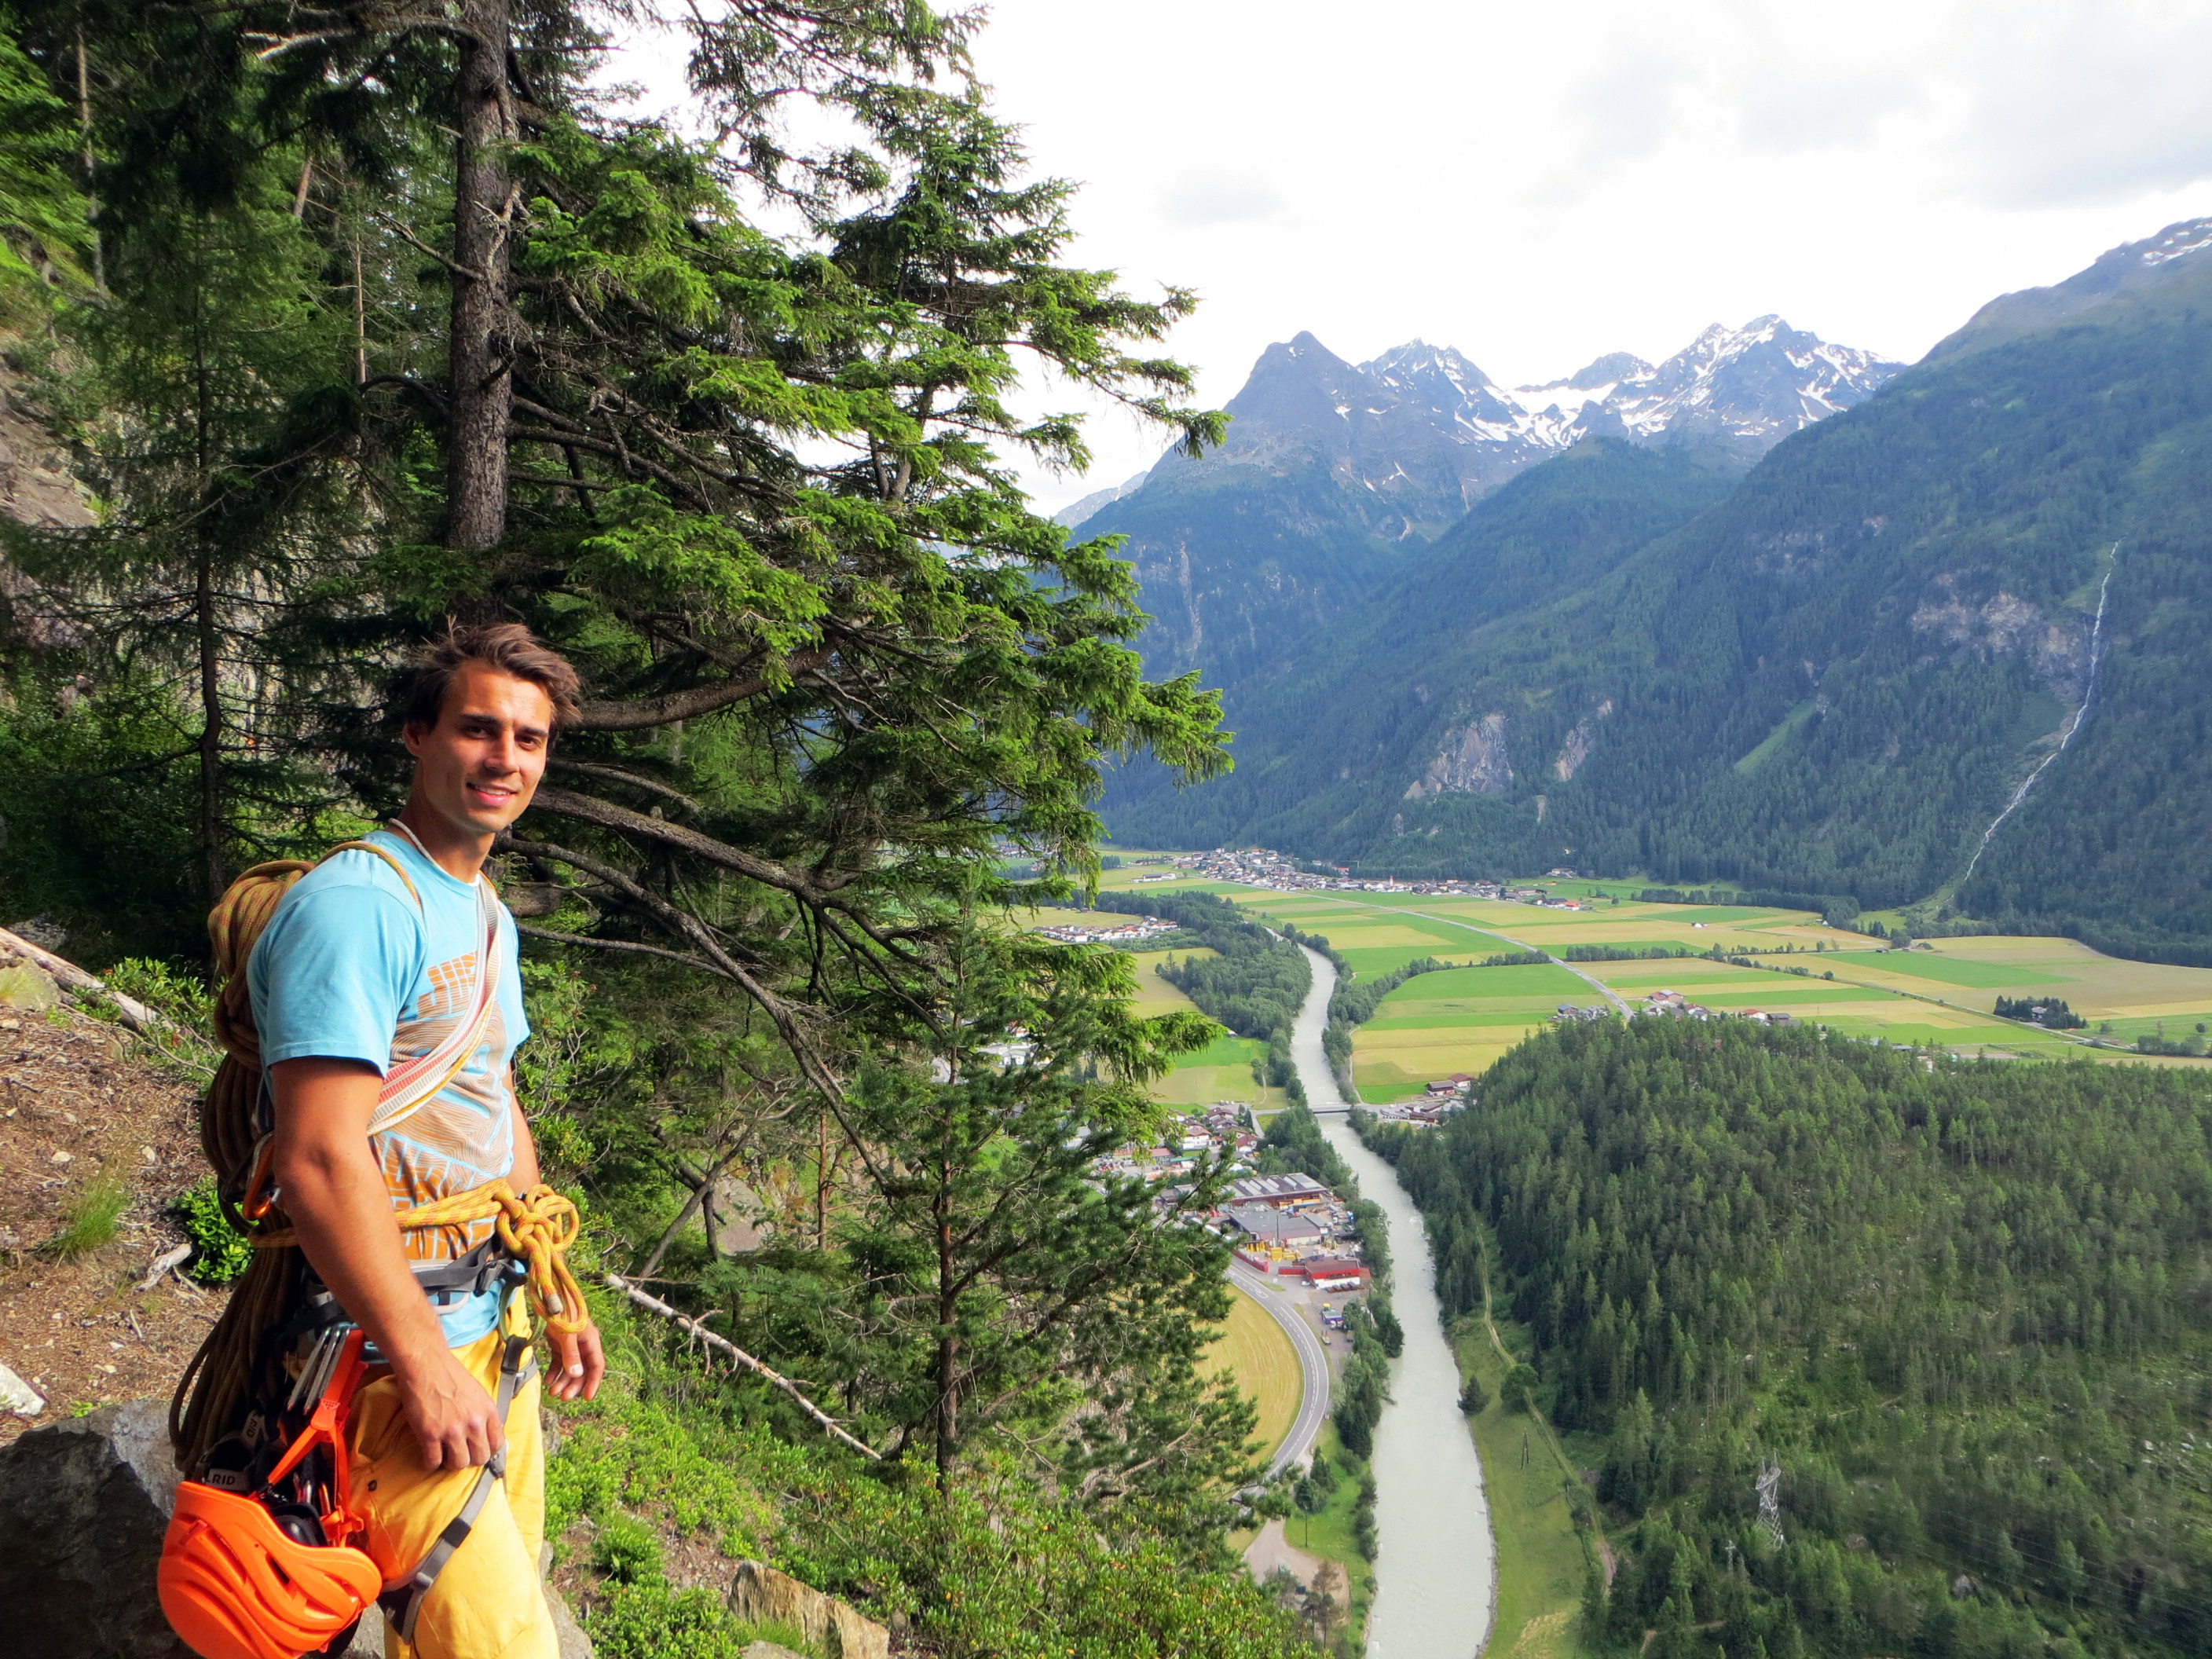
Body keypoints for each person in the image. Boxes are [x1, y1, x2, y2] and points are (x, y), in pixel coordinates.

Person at [248, 622, 605, 1659]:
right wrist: (418, 1356)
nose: (505, 760)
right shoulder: (362, 905)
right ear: (417, 735)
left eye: (529, 740)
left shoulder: (486, 913)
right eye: (478, 729)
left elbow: (495, 1101)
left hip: (491, 1331)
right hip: (384, 1365)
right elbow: (317, 1158)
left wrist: (549, 1279)